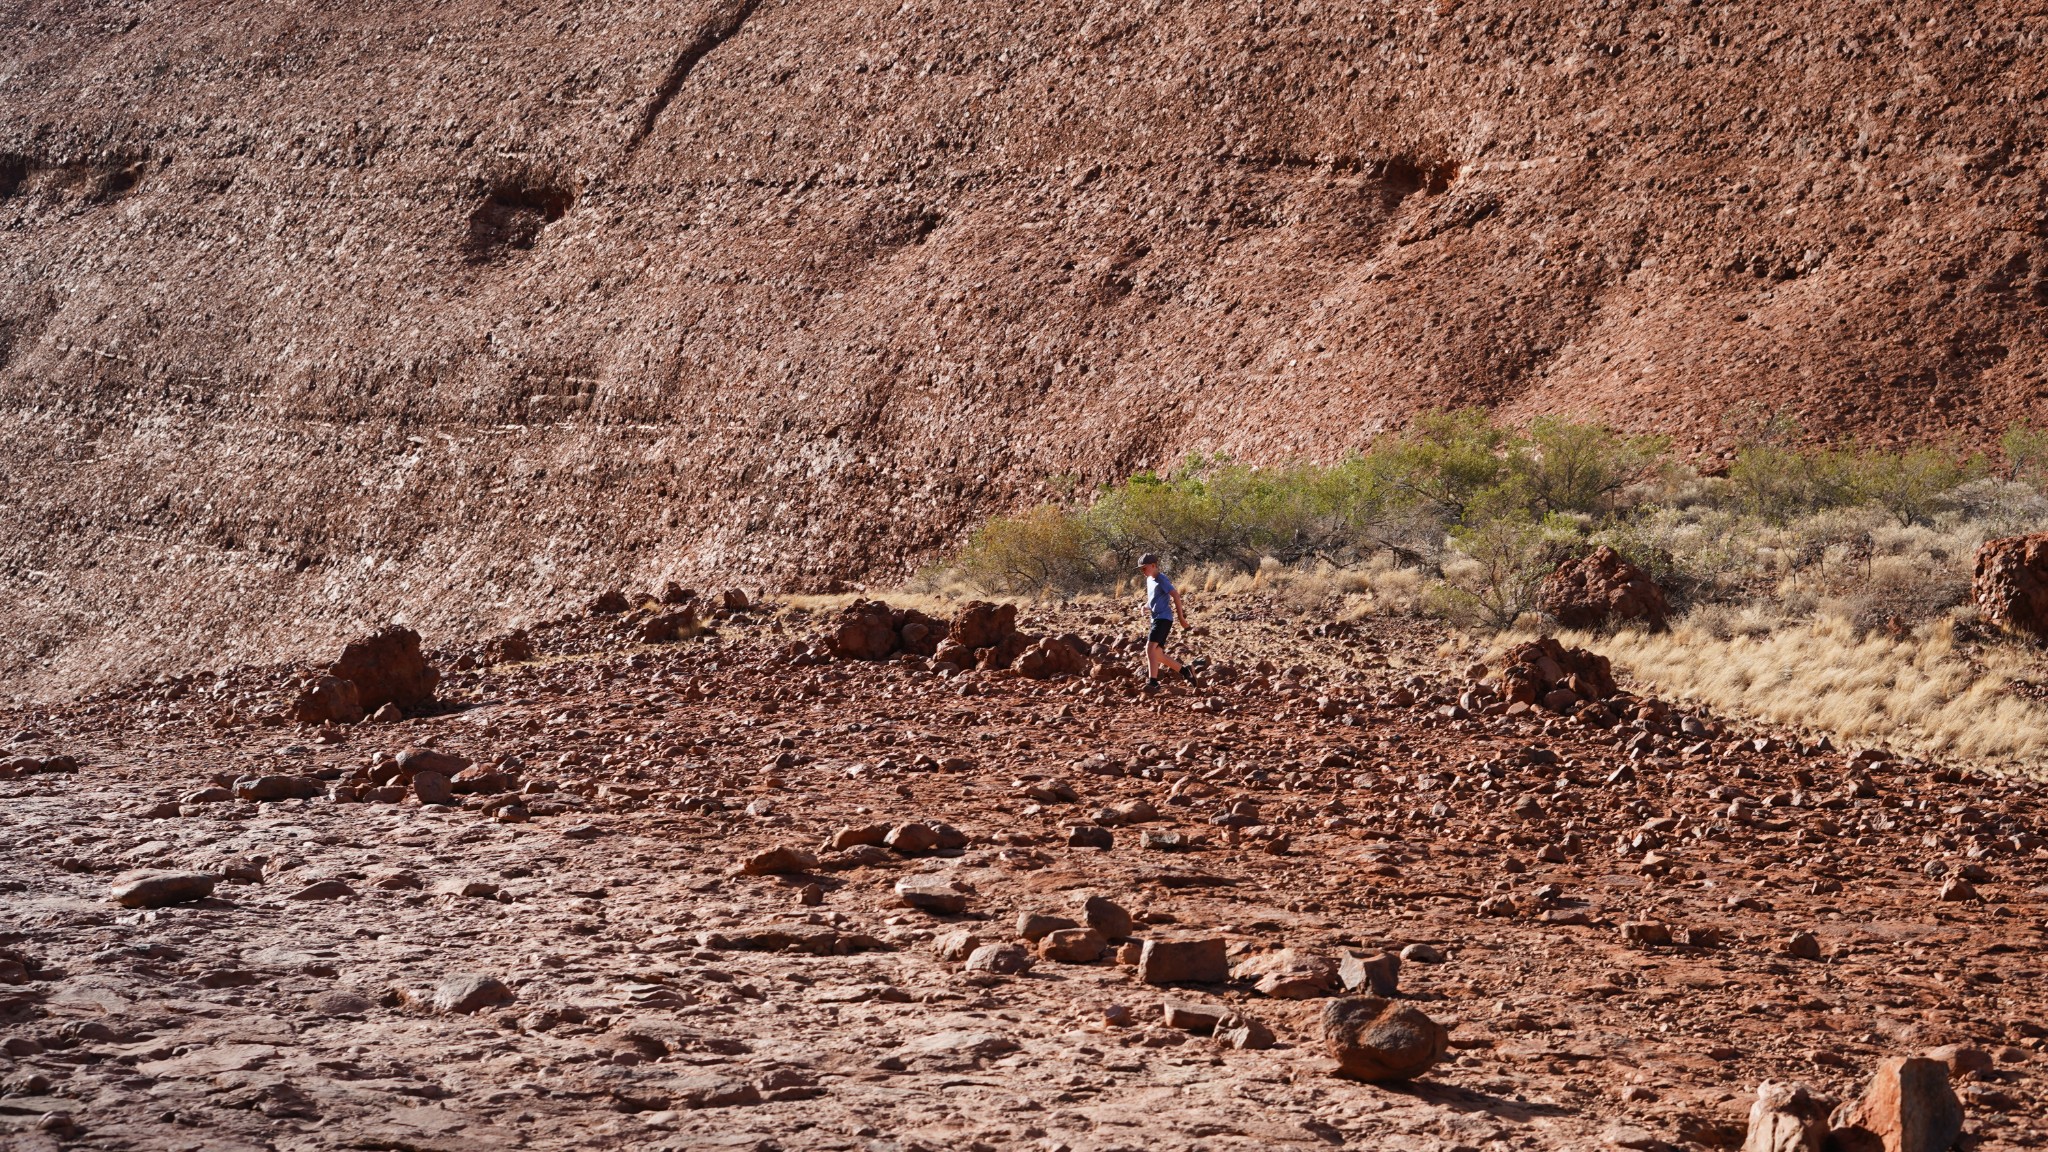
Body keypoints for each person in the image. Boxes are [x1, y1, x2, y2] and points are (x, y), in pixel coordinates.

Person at [1138, 554, 1191, 689]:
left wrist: (1181, 618)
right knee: (1157, 654)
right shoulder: (1149, 580)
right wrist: (1145, 606)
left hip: (1163, 619)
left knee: (1149, 649)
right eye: (1141, 569)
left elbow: (1176, 595)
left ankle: (1153, 682)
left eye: (1144, 568)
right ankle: (1186, 671)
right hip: (1156, 619)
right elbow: (1153, 600)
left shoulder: (1161, 579)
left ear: (1154, 565)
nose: (1142, 571)